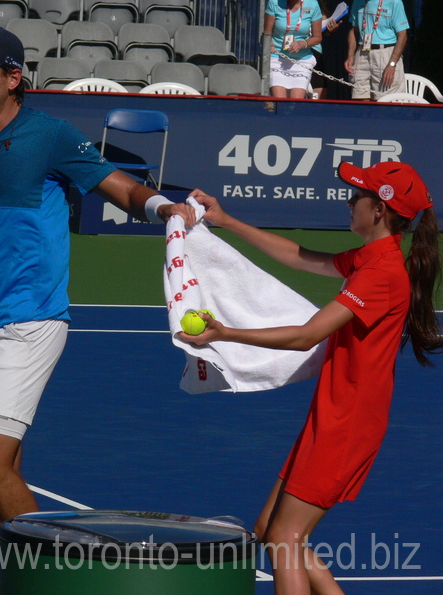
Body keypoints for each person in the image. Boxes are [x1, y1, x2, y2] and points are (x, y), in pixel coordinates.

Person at [0, 27, 196, 541]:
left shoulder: (51, 135)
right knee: (1, 476)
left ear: (14, 78)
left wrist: (165, 208)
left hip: (30, 322)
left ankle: (70, 573)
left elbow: (118, 187)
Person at [181, 161, 442, 595]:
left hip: (346, 426)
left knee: (284, 539)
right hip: (333, 417)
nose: (348, 201)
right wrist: (226, 221)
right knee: (271, 529)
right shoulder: (371, 258)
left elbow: (308, 336)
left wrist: (224, 332)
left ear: (379, 209)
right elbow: (298, 257)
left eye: (355, 195)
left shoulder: (381, 273)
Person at [345, 0, 409, 101]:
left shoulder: (394, 0)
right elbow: (354, 29)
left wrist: (392, 64)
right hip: (362, 52)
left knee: (386, 100)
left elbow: (403, 35)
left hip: (385, 54)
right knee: (359, 97)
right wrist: (350, 56)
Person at [264, 0, 323, 98]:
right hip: (277, 58)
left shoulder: (313, 4)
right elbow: (266, 33)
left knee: (295, 104)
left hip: (301, 61)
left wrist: (302, 44)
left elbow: (317, 37)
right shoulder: (275, 1)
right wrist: (269, 44)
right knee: (279, 102)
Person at [308, 0, 340, 99]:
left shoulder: (316, 1)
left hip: (315, 52)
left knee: (319, 88)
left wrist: (330, 29)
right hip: (296, 51)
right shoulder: (291, 1)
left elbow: (323, 24)